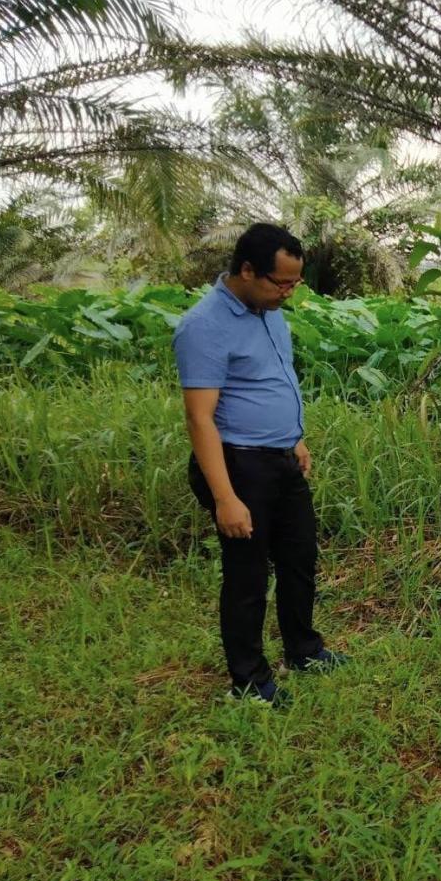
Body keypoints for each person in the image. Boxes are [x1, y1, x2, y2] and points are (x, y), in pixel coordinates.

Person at [173, 223, 347, 707]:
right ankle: (249, 682)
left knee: (299, 558)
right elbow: (200, 418)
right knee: (248, 577)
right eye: (281, 283)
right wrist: (226, 497)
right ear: (247, 270)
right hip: (239, 465)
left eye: (295, 283)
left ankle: (303, 651)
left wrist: (296, 438)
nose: (288, 293)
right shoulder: (203, 325)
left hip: (281, 458)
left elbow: (275, 378)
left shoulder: (269, 312)